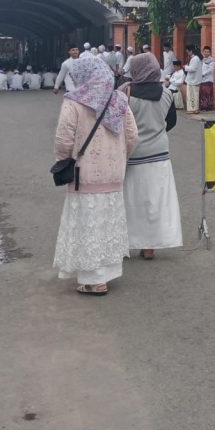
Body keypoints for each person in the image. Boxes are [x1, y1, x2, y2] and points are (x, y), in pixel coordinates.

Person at [52, 56, 137, 296]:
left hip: (84, 175)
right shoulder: (119, 99)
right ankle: (108, 273)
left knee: (88, 224)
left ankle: (94, 280)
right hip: (114, 175)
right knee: (109, 222)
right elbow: (132, 135)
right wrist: (119, 157)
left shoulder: (73, 102)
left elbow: (64, 140)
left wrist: (63, 160)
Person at [120, 54, 182, 260]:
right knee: (156, 202)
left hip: (132, 155)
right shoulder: (167, 93)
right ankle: (149, 247)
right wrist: (157, 132)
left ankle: (127, 243)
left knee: (131, 200)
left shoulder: (125, 93)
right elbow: (171, 122)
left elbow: (117, 123)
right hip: (159, 155)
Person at [184, 46, 202, 114]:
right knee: (195, 95)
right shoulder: (197, 58)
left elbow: (193, 69)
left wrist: (185, 67)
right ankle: (196, 109)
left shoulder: (195, 58)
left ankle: (192, 109)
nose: (187, 53)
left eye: (188, 52)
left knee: (191, 95)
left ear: (191, 51)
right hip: (195, 79)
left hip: (192, 80)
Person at [199, 46, 215, 111]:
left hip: (208, 80)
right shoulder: (201, 59)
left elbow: (210, 70)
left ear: (210, 53)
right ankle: (203, 107)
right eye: (205, 51)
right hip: (201, 80)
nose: (206, 53)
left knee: (207, 93)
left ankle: (208, 107)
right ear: (203, 52)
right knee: (203, 93)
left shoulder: (212, 60)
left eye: (208, 52)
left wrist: (203, 74)